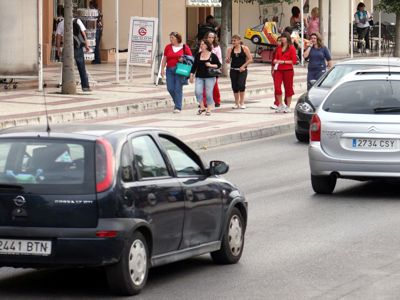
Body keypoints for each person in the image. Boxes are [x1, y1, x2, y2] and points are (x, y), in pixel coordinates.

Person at [56, 11, 91, 92]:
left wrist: (58, 49)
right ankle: (85, 86)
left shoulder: (61, 23)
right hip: (77, 47)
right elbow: (83, 34)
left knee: (66, 67)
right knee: (81, 67)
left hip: (67, 48)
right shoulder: (77, 21)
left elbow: (58, 37)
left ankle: (66, 84)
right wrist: (86, 44)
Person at [161, 32, 193, 113]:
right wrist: (162, 69)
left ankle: (178, 107)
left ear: (177, 38)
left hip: (180, 69)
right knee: (170, 88)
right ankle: (178, 102)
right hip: (169, 69)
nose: (170, 39)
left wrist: (183, 59)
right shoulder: (168, 47)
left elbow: (191, 58)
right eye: (170, 37)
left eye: (172, 37)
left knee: (178, 88)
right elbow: (164, 58)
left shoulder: (184, 47)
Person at [190, 40, 221, 116]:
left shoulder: (212, 55)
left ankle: (209, 108)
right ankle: (202, 107)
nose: (201, 45)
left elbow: (219, 65)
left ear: (207, 45)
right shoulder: (198, 55)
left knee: (208, 93)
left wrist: (211, 65)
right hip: (199, 77)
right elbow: (194, 66)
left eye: (203, 44)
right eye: (200, 44)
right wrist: (191, 75)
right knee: (197, 92)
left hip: (210, 77)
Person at [226, 35, 253, 109]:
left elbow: (250, 59)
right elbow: (228, 60)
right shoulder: (230, 49)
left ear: (239, 40)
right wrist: (227, 60)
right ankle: (236, 103)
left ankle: (242, 102)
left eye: (234, 40)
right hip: (233, 70)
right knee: (234, 86)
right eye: (232, 40)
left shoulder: (244, 48)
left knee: (241, 85)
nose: (233, 42)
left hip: (242, 70)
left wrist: (243, 66)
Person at [272, 32, 297, 113]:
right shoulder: (279, 47)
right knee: (277, 87)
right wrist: (275, 61)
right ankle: (280, 104)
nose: (282, 38)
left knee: (288, 88)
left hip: (288, 70)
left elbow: (294, 61)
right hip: (278, 70)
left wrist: (283, 61)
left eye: (284, 37)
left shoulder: (292, 48)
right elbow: (275, 58)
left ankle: (288, 106)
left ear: (288, 38)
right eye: (282, 37)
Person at [202, 31, 222, 108]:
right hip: (204, 68)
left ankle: (217, 101)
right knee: (204, 86)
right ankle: (204, 102)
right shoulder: (203, 46)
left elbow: (219, 59)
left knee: (214, 86)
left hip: (213, 68)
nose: (211, 39)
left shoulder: (216, 47)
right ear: (206, 38)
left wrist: (218, 67)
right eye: (209, 37)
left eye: (212, 37)